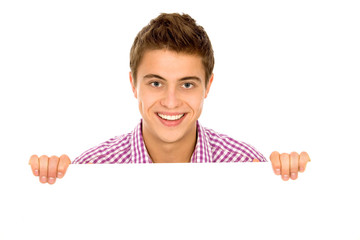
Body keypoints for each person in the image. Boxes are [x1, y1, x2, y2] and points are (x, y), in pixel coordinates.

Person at [29, 13, 310, 184]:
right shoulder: (90, 171)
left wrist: (293, 185)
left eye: (187, 84)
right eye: (156, 83)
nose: (171, 102)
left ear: (208, 86)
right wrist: (47, 189)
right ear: (133, 84)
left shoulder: (247, 165)